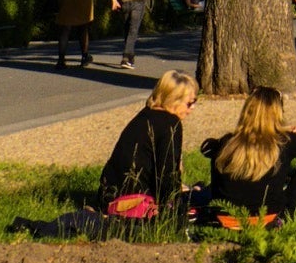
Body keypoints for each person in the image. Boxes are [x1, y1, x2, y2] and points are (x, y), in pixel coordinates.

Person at [16, 71, 199, 237]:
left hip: (110, 194)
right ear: (173, 100)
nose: (193, 108)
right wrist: (179, 203)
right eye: (190, 103)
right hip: (132, 201)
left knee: (194, 193)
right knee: (195, 203)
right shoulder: (170, 124)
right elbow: (166, 176)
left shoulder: (145, 115)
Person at [198, 86, 296, 224]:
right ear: (278, 113)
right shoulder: (285, 141)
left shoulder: (227, 142)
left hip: (225, 219)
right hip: (269, 221)